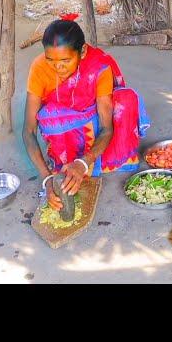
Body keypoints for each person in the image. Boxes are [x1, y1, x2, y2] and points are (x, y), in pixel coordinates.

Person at [22, 14, 150, 211]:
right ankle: (67, 162)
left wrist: (84, 162)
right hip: (65, 126)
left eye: (65, 60)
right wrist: (47, 180)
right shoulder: (39, 68)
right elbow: (29, 131)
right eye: (51, 60)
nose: (58, 67)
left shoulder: (98, 66)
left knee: (125, 101)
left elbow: (107, 128)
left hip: (94, 119)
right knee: (50, 116)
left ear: (82, 52)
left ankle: (93, 163)